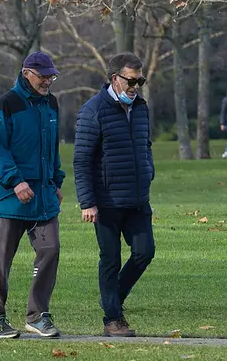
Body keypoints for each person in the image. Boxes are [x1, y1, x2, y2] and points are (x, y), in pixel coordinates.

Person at [0, 51, 66, 339]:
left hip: (43, 199)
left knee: (50, 250)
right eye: (43, 76)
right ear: (27, 73)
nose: (48, 82)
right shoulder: (7, 103)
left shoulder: (51, 104)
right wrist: (15, 181)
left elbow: (52, 149)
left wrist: (56, 181)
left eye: (51, 77)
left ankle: (37, 315)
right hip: (9, 201)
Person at [73, 53, 155, 338]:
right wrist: (88, 202)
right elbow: (82, 160)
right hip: (106, 202)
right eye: (131, 81)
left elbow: (146, 145)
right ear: (115, 78)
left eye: (139, 81)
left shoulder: (141, 108)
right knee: (110, 259)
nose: (135, 86)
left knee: (145, 252)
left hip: (136, 200)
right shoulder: (93, 110)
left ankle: (112, 300)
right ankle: (113, 319)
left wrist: (148, 172)